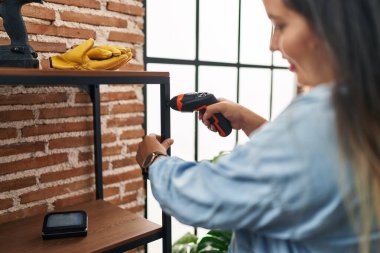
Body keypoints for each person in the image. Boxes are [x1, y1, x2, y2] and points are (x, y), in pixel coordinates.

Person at [136, 0, 380, 252]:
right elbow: (313, 170)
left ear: (332, 27)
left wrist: (154, 161)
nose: (273, 45)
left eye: (280, 25)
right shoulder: (363, 107)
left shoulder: (323, 115)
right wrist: (253, 123)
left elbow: (204, 197)